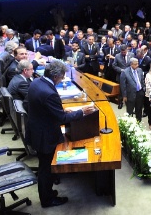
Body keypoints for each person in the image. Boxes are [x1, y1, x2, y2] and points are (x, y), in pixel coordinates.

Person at [27, 61, 97, 208]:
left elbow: (46, 109)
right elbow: (62, 119)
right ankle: (47, 200)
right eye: (62, 76)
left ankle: (48, 193)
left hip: (36, 129)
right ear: (55, 76)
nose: (63, 79)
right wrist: (82, 112)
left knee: (44, 167)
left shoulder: (37, 82)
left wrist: (62, 110)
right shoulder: (49, 93)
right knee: (46, 169)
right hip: (45, 136)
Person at [120, 58, 145, 122]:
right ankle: (129, 125)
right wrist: (124, 96)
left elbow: (142, 80)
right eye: (135, 64)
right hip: (130, 94)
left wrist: (143, 88)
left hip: (139, 93)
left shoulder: (140, 70)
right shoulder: (125, 72)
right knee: (129, 111)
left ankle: (138, 124)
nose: (137, 65)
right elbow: (123, 86)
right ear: (131, 64)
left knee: (139, 110)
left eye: (137, 63)